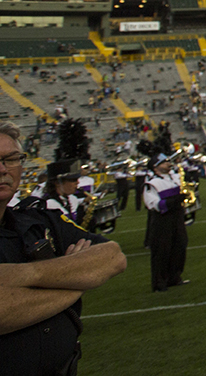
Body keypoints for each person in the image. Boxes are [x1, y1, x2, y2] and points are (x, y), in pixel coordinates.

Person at [1, 121, 126, 376]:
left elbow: (113, 257)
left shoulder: (37, 219)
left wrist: (25, 275)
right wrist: (72, 277)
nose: (2, 169)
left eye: (11, 159)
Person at [142, 154, 189, 292]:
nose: (168, 164)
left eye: (168, 161)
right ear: (156, 168)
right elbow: (154, 204)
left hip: (177, 216)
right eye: (164, 163)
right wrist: (174, 201)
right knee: (162, 250)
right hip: (163, 219)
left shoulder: (174, 178)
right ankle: (159, 282)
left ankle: (174, 277)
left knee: (180, 245)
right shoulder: (152, 183)